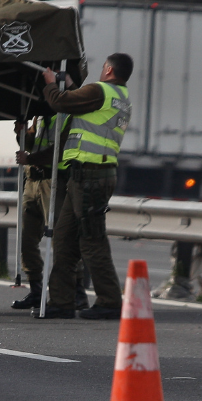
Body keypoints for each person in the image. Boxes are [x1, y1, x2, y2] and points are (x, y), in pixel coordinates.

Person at [33, 53, 133, 320]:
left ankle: (110, 301)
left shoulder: (100, 91)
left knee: (91, 239)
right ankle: (61, 301)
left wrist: (50, 83)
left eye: (103, 68)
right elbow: (83, 103)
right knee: (64, 237)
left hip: (91, 175)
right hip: (86, 175)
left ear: (109, 69)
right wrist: (71, 85)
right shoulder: (119, 96)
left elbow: (60, 102)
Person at [11, 115, 88, 310]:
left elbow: (60, 150)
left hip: (55, 182)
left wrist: (30, 159)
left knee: (62, 240)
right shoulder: (40, 115)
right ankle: (36, 289)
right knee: (26, 238)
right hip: (32, 181)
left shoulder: (68, 115)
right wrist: (21, 133)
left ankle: (77, 291)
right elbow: (32, 144)